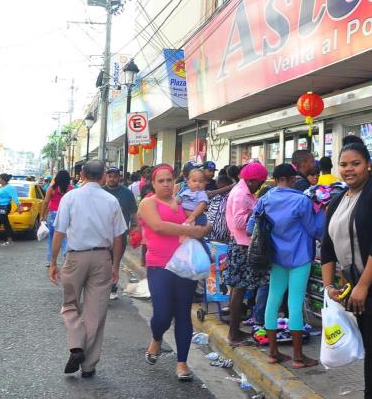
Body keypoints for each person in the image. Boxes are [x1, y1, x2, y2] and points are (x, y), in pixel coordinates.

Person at [322, 141, 372, 398]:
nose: (349, 169)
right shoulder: (337, 200)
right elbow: (327, 247)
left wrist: (364, 286)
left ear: (368, 165)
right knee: (370, 351)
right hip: (354, 287)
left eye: (355, 164)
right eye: (344, 165)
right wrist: (329, 286)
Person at [48, 160, 127, 378]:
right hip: (102, 257)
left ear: (82, 175)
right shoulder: (111, 200)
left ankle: (76, 346)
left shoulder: (70, 197)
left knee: (70, 305)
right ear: (103, 176)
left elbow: (59, 232)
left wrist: (53, 262)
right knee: (96, 312)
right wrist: (115, 264)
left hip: (75, 257)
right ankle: (89, 366)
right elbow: (119, 237)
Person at [136, 163, 210, 381]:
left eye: (169, 180)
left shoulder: (184, 201)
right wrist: (193, 231)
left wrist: (202, 228)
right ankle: (157, 337)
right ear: (153, 183)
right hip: (159, 265)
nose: (166, 184)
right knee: (162, 314)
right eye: (161, 181)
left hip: (184, 266)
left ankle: (182, 363)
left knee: (183, 313)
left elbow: (201, 219)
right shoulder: (148, 203)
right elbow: (158, 226)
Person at [249, 163, 325, 368]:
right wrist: (322, 210)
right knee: (295, 303)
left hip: (275, 257)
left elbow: (251, 227)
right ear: (293, 179)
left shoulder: (264, 199)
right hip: (300, 256)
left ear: (275, 180)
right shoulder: (302, 201)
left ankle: (273, 352)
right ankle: (298, 357)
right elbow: (315, 230)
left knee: (273, 300)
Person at [225, 162, 269, 346]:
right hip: (242, 246)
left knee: (238, 289)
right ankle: (233, 334)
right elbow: (239, 222)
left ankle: (234, 331)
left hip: (240, 244)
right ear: (252, 181)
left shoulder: (244, 191)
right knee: (239, 289)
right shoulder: (242, 194)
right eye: (260, 183)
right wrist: (257, 213)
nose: (260, 186)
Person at [103, 167, 138, 300]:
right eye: (110, 176)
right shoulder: (101, 191)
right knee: (104, 261)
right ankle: (103, 287)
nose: (112, 179)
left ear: (119, 178)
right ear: (106, 177)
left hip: (120, 234)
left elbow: (134, 212)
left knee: (115, 261)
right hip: (103, 234)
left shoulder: (127, 193)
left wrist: (136, 227)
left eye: (115, 176)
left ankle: (112, 287)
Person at [42, 170, 72, 263]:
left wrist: (42, 215)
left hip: (53, 213)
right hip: (66, 213)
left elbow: (46, 202)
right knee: (64, 237)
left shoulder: (52, 188)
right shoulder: (71, 189)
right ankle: (66, 257)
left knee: (51, 238)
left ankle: (50, 260)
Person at [205, 171, 233, 243]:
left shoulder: (231, 197)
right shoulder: (216, 195)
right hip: (208, 235)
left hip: (222, 238)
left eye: (218, 182)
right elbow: (207, 195)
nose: (216, 184)